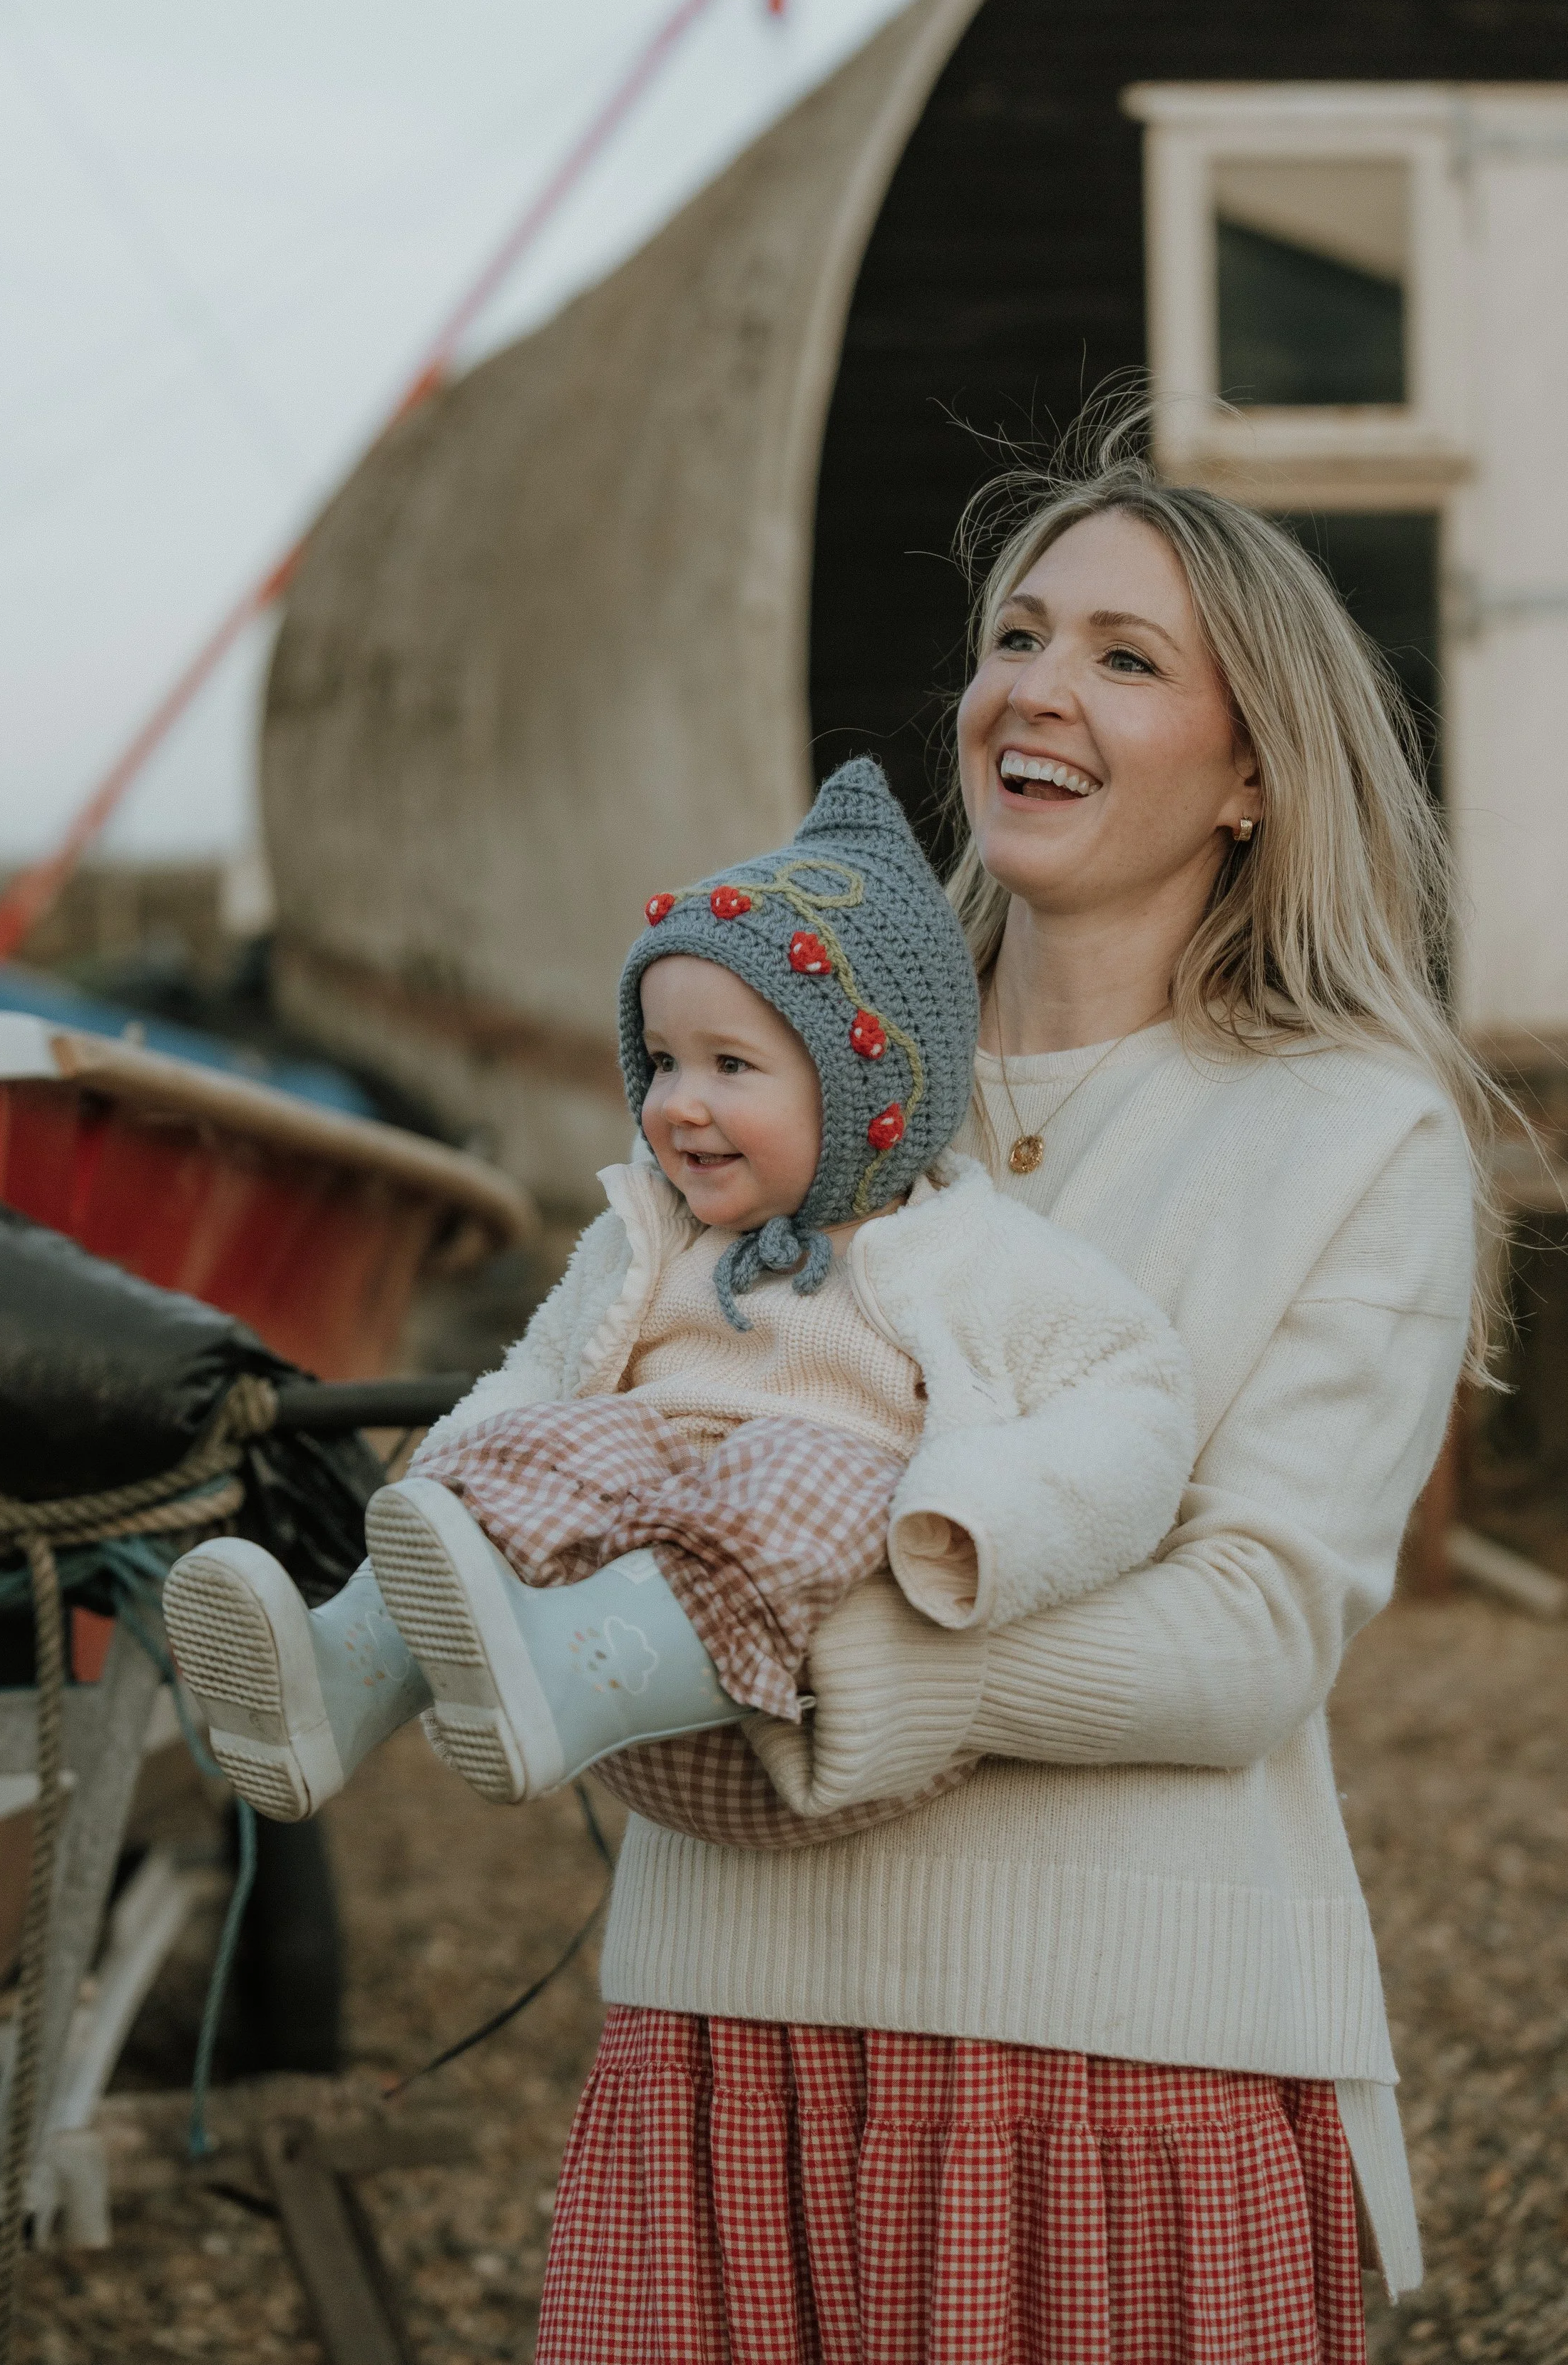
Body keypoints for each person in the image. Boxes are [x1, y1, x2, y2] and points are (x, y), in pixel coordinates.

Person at [528, 431, 1483, 2364]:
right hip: (729, 2010)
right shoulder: (784, 1084)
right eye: (1016, 634)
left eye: (1127, 657)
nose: (1034, 687)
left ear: (1250, 771)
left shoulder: (1355, 1129)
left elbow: (1252, 1628)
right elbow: (627, 1409)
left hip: (1124, 2050)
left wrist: (878, 1678)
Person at [165, 758, 1197, 1821]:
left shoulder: (964, 1253)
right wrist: (455, 1491)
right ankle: (343, 1675)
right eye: (661, 1061)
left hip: (792, 1707)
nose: (677, 1105)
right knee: (542, 1440)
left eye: (730, 1066)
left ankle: (559, 1669)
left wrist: (973, 1516)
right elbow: (539, 1367)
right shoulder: (655, 1235)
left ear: (869, 1088)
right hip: (614, 1699)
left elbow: (1139, 1396)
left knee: (804, 1465)